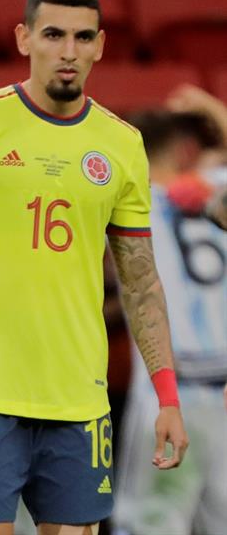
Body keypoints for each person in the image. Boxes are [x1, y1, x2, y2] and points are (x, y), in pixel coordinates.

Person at [0, 0, 189, 534]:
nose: (68, 52)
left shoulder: (122, 144)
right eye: (54, 35)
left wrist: (166, 395)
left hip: (80, 396)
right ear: (24, 38)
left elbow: (141, 279)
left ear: (101, 45)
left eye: (83, 37)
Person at [113, 110, 226, 535]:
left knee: (151, 524)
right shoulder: (216, 187)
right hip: (222, 386)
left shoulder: (130, 198)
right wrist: (211, 109)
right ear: (184, 150)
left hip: (170, 390)